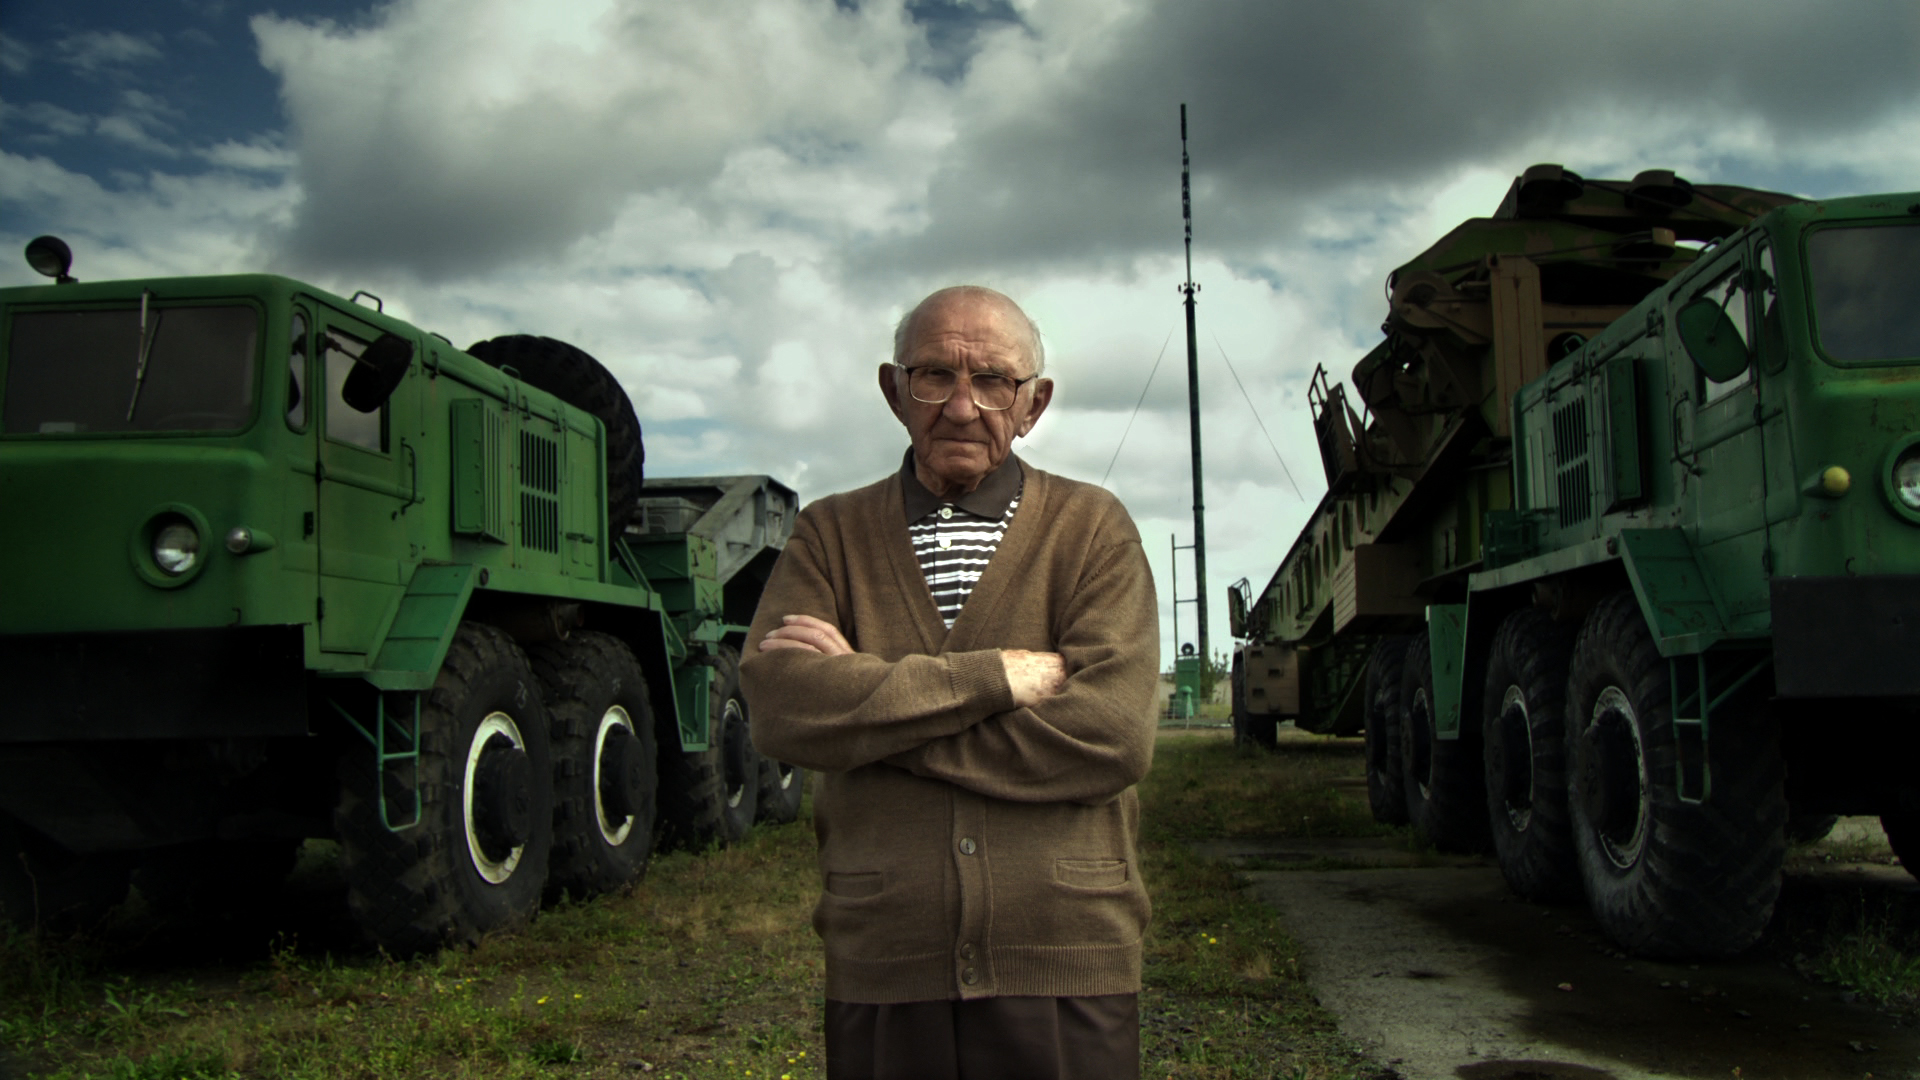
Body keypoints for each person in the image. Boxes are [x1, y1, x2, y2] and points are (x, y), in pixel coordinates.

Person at [739, 285, 1160, 1080]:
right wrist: (994, 678)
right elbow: (782, 709)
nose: (962, 407)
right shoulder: (830, 532)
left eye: (993, 380)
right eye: (935, 375)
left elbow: (1112, 737)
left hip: (1066, 957)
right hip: (885, 957)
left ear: (1033, 404)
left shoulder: (1093, 528)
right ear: (894, 392)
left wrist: (868, 723)